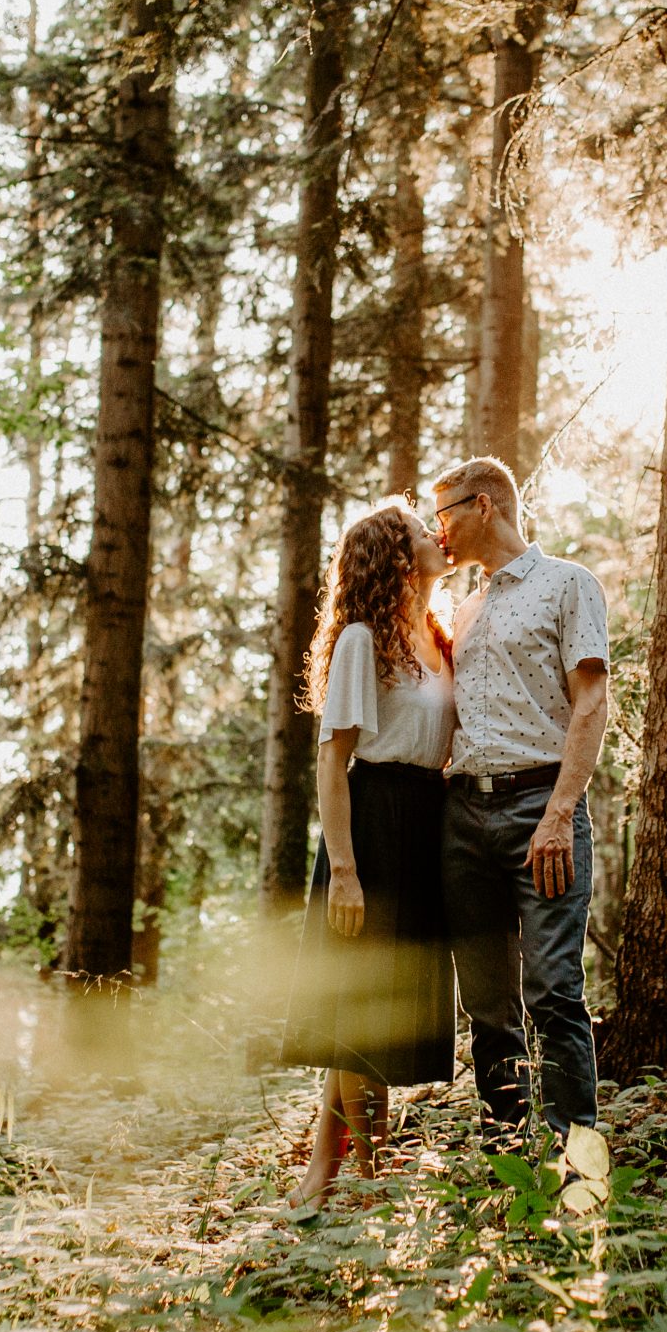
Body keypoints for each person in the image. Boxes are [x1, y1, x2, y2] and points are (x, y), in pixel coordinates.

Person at [427, 456, 610, 1138]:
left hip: (541, 806)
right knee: (487, 1003)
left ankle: (576, 1157)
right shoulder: (464, 608)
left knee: (555, 991)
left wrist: (560, 811)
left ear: (483, 506)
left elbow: (591, 703)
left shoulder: (568, 585)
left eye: (444, 514)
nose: (437, 530)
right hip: (463, 819)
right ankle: (505, 1147)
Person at [285, 499, 458, 1205]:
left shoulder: (435, 636)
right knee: (359, 1006)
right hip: (373, 824)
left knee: (379, 1007)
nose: (436, 534)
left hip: (426, 822)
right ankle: (368, 1176)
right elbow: (333, 761)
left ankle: (322, 1173)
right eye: (421, 531)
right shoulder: (362, 639)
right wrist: (346, 872)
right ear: (394, 555)